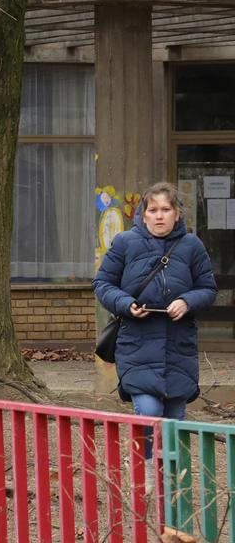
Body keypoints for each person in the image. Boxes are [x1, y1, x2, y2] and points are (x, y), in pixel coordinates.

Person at [93, 182, 217, 432]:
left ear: (177, 213)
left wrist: (187, 302)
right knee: (148, 412)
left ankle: (170, 471)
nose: (159, 215)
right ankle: (148, 469)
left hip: (178, 347)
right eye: (152, 210)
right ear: (143, 214)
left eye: (165, 209)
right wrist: (127, 304)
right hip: (137, 344)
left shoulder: (192, 246)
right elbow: (103, 283)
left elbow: (208, 289)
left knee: (173, 420)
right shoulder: (125, 242)